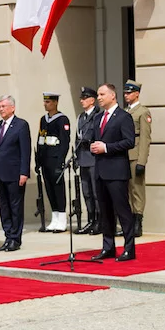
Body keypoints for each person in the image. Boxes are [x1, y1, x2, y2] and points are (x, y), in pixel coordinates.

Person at [88, 83, 137, 261]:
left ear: (112, 96)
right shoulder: (98, 117)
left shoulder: (123, 117)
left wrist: (106, 147)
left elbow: (129, 141)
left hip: (117, 171)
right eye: (98, 94)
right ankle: (108, 247)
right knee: (105, 212)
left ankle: (129, 249)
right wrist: (93, 146)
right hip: (100, 171)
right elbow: (95, 139)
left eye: (102, 94)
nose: (99, 97)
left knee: (122, 211)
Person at [0, 95, 32, 251]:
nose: (0, 109)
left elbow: (25, 151)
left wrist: (24, 172)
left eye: (3, 106)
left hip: (15, 173)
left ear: (12, 107)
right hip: (0, 174)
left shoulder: (21, 125)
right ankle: (7, 237)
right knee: (4, 207)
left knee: (15, 207)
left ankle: (15, 239)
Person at [36, 92, 71, 233]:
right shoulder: (43, 119)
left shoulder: (62, 119)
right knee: (49, 189)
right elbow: (41, 139)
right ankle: (54, 218)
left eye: (48, 102)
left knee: (58, 189)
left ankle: (62, 219)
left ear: (55, 103)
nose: (45, 104)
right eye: (45, 102)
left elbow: (64, 142)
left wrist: (61, 161)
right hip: (45, 159)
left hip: (55, 159)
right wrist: (38, 159)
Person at [124, 80, 152, 237]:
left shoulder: (143, 112)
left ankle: (137, 222)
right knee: (126, 190)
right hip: (123, 156)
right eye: (125, 93)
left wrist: (142, 161)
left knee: (137, 190)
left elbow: (145, 139)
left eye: (129, 92)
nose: (126, 95)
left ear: (137, 94)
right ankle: (128, 222)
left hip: (135, 156)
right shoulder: (124, 111)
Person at [74, 86, 101, 234]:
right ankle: (90, 220)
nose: (82, 101)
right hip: (84, 158)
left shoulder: (98, 116)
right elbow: (76, 139)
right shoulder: (81, 117)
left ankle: (99, 221)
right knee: (87, 192)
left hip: (95, 159)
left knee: (97, 193)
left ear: (92, 100)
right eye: (81, 98)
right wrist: (77, 158)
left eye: (85, 98)